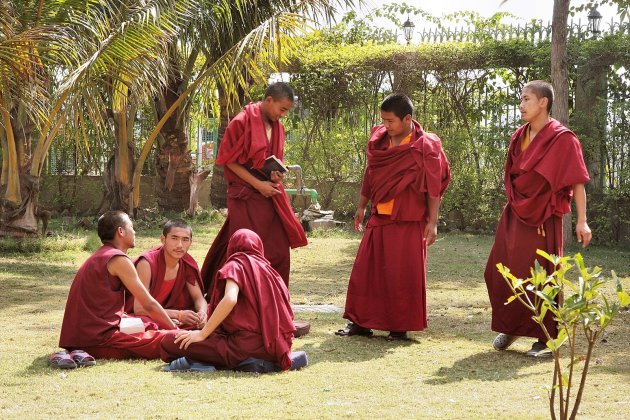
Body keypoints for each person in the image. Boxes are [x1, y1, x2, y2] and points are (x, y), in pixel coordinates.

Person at [485, 80, 592, 357]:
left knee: (541, 274)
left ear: (543, 102)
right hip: (516, 212)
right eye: (520, 100)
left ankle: (547, 339)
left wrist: (582, 221)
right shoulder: (519, 136)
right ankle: (512, 326)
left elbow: (577, 181)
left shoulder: (562, 138)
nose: (521, 105)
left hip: (544, 216)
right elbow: (513, 174)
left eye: (526, 99)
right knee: (502, 269)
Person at [335, 93, 451, 341]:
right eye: (383, 120)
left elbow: (433, 187)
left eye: (391, 121)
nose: (386, 126)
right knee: (365, 271)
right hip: (380, 216)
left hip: (409, 219)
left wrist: (432, 222)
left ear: (407, 119)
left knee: (402, 275)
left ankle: (398, 327)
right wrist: (362, 205)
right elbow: (371, 173)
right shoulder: (379, 140)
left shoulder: (425, 146)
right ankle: (360, 323)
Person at [200, 82, 307, 291]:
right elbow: (228, 160)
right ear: (269, 101)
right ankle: (236, 299)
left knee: (278, 251)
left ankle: (274, 300)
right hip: (246, 194)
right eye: (282, 109)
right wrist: (259, 184)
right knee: (245, 248)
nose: (283, 115)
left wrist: (275, 175)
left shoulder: (277, 127)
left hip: (269, 194)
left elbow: (270, 160)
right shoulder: (241, 122)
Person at [161, 229, 297, 371]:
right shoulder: (272, 273)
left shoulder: (236, 264)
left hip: (241, 347)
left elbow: (230, 299)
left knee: (170, 340)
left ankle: (236, 361)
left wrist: (203, 334)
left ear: (231, 247)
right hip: (275, 348)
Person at [58, 211, 177, 360]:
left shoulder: (101, 254)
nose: (134, 231)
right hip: (98, 340)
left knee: (149, 323)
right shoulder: (117, 259)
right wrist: (175, 330)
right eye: (131, 227)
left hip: (84, 335)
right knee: (171, 340)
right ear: (120, 231)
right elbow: (148, 304)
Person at [128, 219, 207, 329]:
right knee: (147, 325)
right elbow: (140, 309)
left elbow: (198, 297)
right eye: (174, 238)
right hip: (142, 315)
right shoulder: (147, 263)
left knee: (215, 312)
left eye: (185, 240)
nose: (179, 245)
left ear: (190, 243)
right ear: (163, 239)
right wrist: (178, 314)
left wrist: (202, 313)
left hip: (168, 312)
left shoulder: (187, 263)